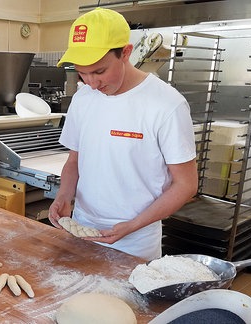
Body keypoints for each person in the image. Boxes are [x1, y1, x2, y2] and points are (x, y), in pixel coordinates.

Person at [48, 8, 198, 260]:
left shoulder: (166, 105)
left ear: (126, 53)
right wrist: (64, 196)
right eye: (82, 73)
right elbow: (74, 160)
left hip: (134, 241)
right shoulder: (84, 98)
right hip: (81, 230)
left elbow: (186, 185)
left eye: (99, 71)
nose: (92, 83)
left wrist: (132, 226)